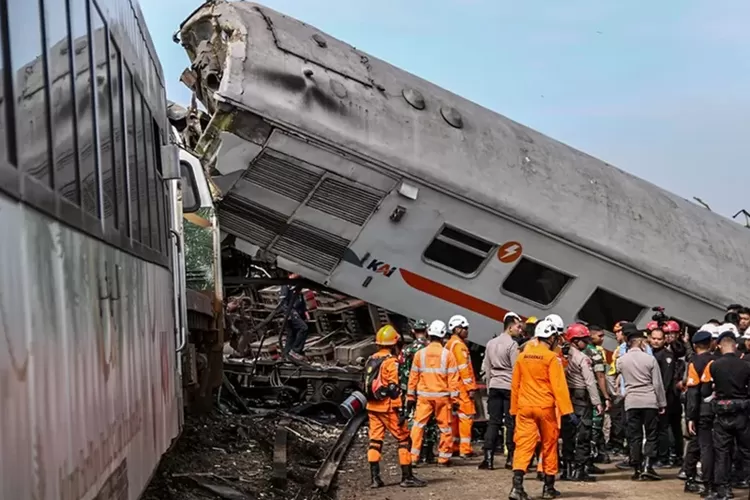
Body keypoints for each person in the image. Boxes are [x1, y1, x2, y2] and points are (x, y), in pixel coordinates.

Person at [508, 319, 573, 500]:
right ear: (551, 337)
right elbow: (559, 386)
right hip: (545, 408)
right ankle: (548, 487)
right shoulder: (552, 358)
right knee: (549, 445)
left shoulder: (523, 356)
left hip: (525, 407)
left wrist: (514, 410)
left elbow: (515, 385)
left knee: (523, 445)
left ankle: (517, 487)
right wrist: (567, 411)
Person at [364, 325, 426, 488]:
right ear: (393, 343)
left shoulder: (371, 359)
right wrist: (401, 411)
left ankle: (374, 478)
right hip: (388, 408)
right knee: (404, 439)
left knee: (375, 441)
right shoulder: (391, 362)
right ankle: (407, 477)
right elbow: (394, 388)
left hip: (372, 406)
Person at [701, 329, 750, 500]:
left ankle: (724, 489)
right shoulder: (746, 365)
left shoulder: (714, 365)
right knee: (746, 451)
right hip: (742, 412)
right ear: (735, 347)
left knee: (722, 452)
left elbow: (705, 390)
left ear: (720, 346)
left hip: (722, 412)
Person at [616, 323, 667, 481]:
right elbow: (657, 384)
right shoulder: (650, 360)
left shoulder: (621, 360)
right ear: (639, 342)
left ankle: (636, 468)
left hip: (631, 401)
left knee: (634, 435)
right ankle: (648, 466)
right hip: (649, 400)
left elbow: (617, 378)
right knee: (651, 434)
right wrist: (662, 403)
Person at [407, 320, 461, 467]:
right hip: (442, 397)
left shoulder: (420, 354)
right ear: (443, 335)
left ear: (429, 334)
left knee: (418, 426)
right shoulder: (448, 355)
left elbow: (413, 377)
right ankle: (443, 458)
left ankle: (413, 457)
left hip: (424, 396)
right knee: (445, 428)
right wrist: (455, 399)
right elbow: (453, 379)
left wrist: (410, 397)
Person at [479, 313, 522, 470]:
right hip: (509, 387)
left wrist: (490, 386)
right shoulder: (512, 345)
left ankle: (488, 458)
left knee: (493, 422)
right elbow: (516, 369)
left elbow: (487, 368)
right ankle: (511, 458)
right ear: (510, 327)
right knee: (510, 423)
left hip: (495, 386)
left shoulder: (490, 343)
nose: (520, 330)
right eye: (518, 326)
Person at [560, 323, 603, 482]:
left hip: (566, 397)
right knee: (583, 434)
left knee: (568, 434)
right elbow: (590, 382)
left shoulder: (562, 356)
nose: (586, 343)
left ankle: (566, 469)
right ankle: (579, 470)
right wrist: (597, 402)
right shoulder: (582, 358)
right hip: (581, 397)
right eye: (584, 340)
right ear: (576, 340)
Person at [398, 319, 439, 463]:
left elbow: (402, 372)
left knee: (415, 422)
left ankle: (414, 450)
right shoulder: (430, 349)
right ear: (427, 331)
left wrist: (405, 391)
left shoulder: (407, 350)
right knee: (430, 422)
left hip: (411, 390)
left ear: (414, 331)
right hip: (427, 390)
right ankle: (428, 454)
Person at [682, 327, 717, 495]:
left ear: (695, 346)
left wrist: (690, 417)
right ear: (711, 344)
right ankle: (711, 481)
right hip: (715, 411)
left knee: (699, 445)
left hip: (700, 412)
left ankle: (691, 478)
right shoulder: (717, 360)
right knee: (710, 446)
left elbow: (693, 392)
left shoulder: (694, 363)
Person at [650, 327, 684, 469]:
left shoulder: (666, 356)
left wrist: (660, 398)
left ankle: (667, 456)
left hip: (668, 397)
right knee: (668, 427)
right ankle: (672, 455)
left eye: (659, 339)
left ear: (664, 340)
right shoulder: (653, 354)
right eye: (654, 338)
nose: (656, 341)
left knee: (666, 427)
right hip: (665, 396)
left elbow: (666, 379)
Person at [446, 314, 477, 458]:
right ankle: (465, 449)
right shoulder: (460, 347)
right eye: (465, 328)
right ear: (457, 329)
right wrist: (470, 388)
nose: (467, 331)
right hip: (461, 387)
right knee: (466, 416)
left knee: (454, 418)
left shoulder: (449, 344)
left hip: (452, 386)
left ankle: (454, 446)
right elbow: (464, 369)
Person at [586, 325, 612, 465]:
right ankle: (593, 455)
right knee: (596, 425)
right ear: (590, 335)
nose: (602, 339)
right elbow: (600, 376)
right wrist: (606, 396)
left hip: (583, 394)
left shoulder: (578, 351)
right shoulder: (595, 353)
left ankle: (600, 453)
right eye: (600, 336)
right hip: (595, 394)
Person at [279, 274, 309, 360]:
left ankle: (286, 355)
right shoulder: (286, 286)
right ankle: (295, 351)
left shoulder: (297, 284)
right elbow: (283, 303)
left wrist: (305, 311)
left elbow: (300, 298)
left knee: (291, 334)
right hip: (291, 313)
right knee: (303, 328)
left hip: (298, 312)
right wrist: (291, 313)